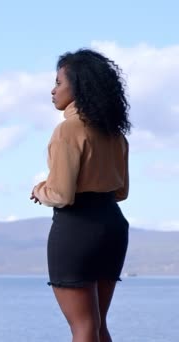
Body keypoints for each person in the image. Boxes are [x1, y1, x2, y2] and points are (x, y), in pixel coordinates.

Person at [30, 48, 131, 342]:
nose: (53, 90)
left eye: (59, 82)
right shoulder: (115, 134)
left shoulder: (68, 130)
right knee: (98, 325)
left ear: (79, 87)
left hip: (77, 231)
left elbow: (61, 194)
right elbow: (120, 191)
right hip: (112, 227)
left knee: (83, 327)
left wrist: (39, 189)